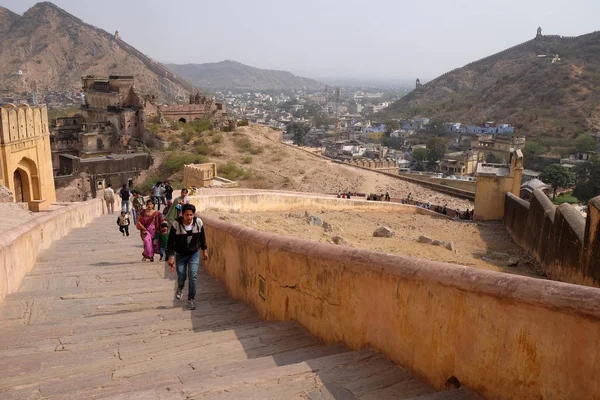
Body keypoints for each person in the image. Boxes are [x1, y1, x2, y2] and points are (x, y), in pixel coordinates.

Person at [167, 204, 209, 310]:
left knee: (193, 276)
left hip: (193, 254)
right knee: (181, 276)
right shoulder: (176, 224)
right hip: (180, 255)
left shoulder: (198, 223)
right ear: (183, 214)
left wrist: (205, 250)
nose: (189, 217)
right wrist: (171, 256)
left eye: (191, 215)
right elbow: (170, 242)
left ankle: (191, 299)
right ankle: (180, 287)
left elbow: (202, 238)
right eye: (187, 215)